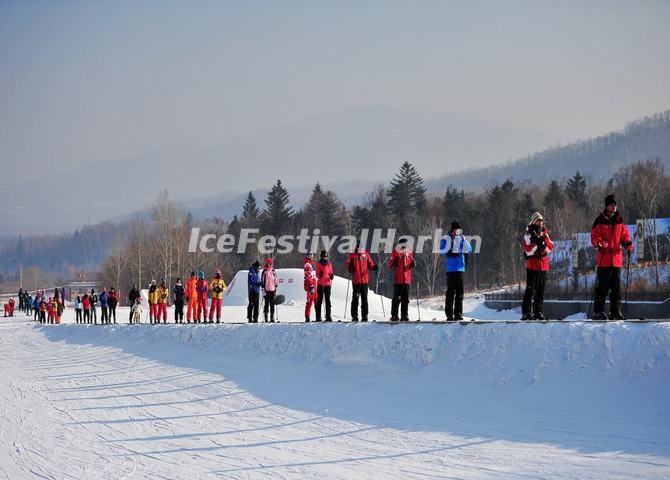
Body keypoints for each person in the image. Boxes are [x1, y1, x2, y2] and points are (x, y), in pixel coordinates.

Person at [591, 194, 633, 320]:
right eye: (611, 205)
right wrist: (600, 242)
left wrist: (627, 244)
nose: (614, 207)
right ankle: (599, 312)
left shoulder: (620, 220)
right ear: (607, 206)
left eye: (615, 205)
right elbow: (594, 237)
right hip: (604, 260)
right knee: (602, 288)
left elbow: (624, 235)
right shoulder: (599, 220)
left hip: (616, 260)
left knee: (616, 289)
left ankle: (615, 312)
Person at [521, 213, 554, 320]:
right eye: (538, 220)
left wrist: (543, 244)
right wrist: (537, 245)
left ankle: (538, 312)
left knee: (541, 291)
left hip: (543, 266)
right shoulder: (528, 233)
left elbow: (550, 247)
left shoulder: (544, 232)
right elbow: (528, 250)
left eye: (541, 221)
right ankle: (526, 312)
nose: (540, 222)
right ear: (533, 221)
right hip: (532, 266)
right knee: (530, 290)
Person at [440, 222, 473, 321]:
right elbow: (442, 250)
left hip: (460, 269)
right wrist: (449, 250)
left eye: (458, 230)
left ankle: (458, 314)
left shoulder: (461, 239)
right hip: (451, 269)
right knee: (450, 292)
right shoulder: (447, 239)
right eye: (455, 231)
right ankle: (449, 314)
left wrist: (465, 240)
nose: (457, 232)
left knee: (460, 293)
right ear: (452, 230)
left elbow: (469, 249)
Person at [346, 242, 376, 321]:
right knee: (355, 299)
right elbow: (348, 265)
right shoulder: (352, 255)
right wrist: (350, 268)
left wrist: (373, 267)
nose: (360, 249)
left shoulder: (366, 255)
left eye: (362, 248)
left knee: (364, 299)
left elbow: (370, 264)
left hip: (365, 281)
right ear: (357, 247)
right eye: (359, 247)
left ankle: (365, 316)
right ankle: (354, 316)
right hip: (356, 281)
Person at [388, 238, 415, 321]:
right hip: (398, 279)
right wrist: (393, 263)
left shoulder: (409, 252)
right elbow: (390, 264)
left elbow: (412, 261)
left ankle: (404, 315)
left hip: (407, 279)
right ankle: (394, 316)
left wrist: (413, 263)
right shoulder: (395, 252)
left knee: (405, 299)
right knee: (397, 298)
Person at [315, 250, 334, 322]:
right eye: (323, 256)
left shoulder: (329, 264)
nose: (324, 258)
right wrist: (319, 274)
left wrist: (331, 275)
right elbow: (316, 273)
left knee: (327, 300)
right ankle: (318, 316)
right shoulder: (319, 264)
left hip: (327, 284)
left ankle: (328, 315)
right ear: (321, 257)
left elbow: (331, 272)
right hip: (320, 284)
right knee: (319, 300)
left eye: (325, 256)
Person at [261, 258, 277, 322]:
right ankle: (266, 317)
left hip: (272, 290)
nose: (271, 265)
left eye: (272, 263)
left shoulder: (273, 271)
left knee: (272, 304)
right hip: (266, 290)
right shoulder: (264, 271)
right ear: (267, 263)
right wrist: (263, 289)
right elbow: (262, 281)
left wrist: (276, 288)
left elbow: (275, 280)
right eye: (270, 263)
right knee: (266, 303)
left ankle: (272, 317)